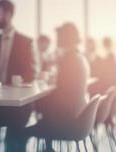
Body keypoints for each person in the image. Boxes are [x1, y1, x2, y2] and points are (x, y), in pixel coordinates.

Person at [0, 0, 37, 151]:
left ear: (8, 15)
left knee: (14, 139)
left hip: (16, 105)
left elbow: (31, 75)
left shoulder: (25, 42)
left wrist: (16, 81)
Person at [25, 22, 89, 151]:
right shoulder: (79, 57)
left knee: (18, 131)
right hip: (76, 115)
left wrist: (34, 103)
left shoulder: (68, 59)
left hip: (65, 121)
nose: (57, 39)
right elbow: (64, 90)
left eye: (59, 36)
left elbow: (60, 95)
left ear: (66, 38)